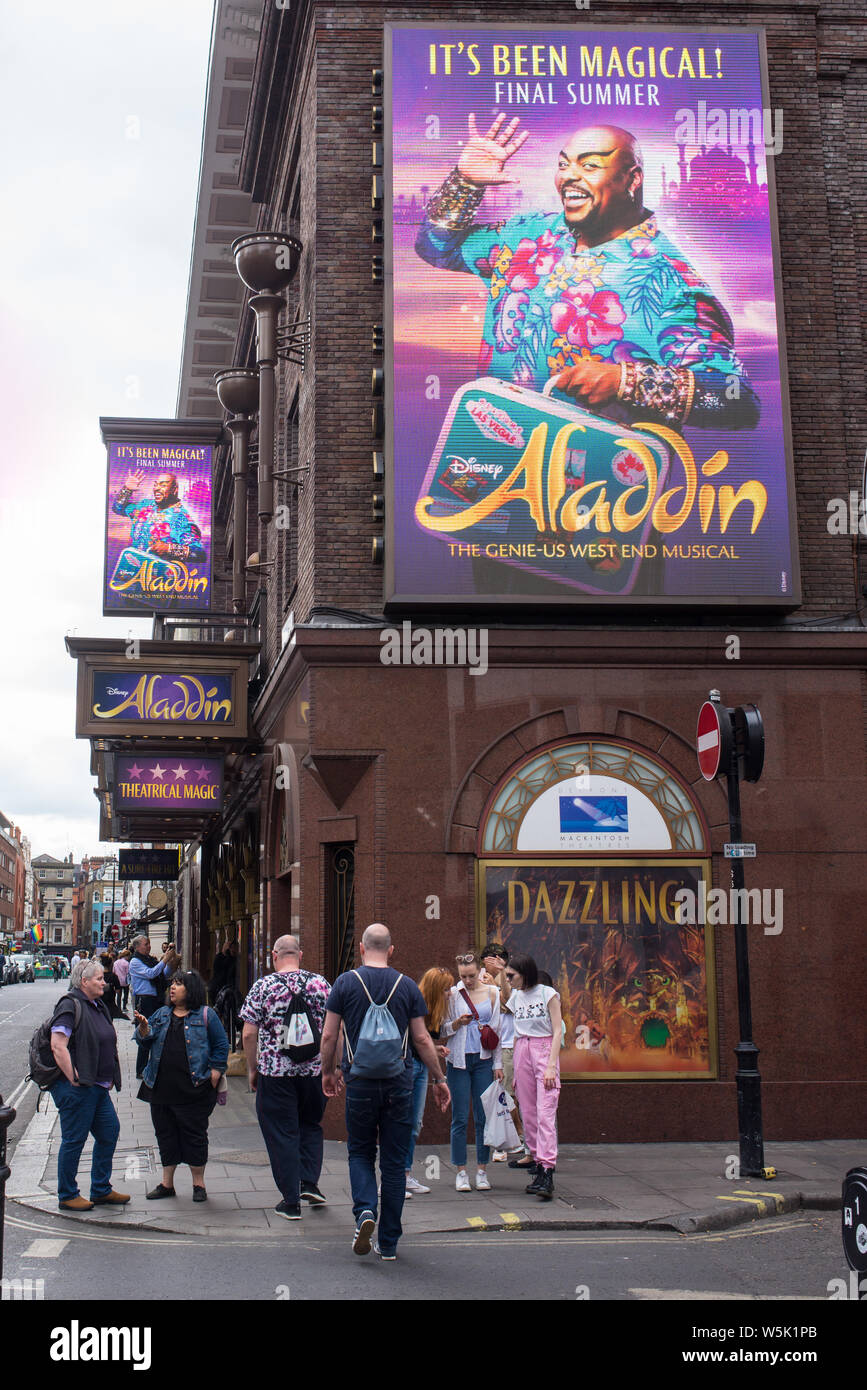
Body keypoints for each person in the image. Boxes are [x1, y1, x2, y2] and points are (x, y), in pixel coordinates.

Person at [415, 117, 759, 431]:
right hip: (485, 463)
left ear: (632, 178)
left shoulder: (671, 281)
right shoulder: (529, 235)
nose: (569, 176)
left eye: (589, 165)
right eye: (564, 164)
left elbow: (737, 402)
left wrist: (628, 382)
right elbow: (435, 247)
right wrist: (465, 183)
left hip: (598, 488)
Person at [320, 924, 450, 1260]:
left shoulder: (345, 983)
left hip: (360, 1082)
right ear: (391, 950)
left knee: (361, 1153)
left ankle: (365, 1211)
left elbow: (329, 1037)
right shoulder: (407, 986)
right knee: (393, 1164)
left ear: (361, 948)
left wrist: (329, 1072)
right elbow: (422, 1040)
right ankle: (389, 1242)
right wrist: (439, 1079)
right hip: (399, 1085)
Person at [239, 935, 332, 1220]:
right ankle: (310, 1183)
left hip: (275, 1073)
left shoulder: (263, 987)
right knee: (310, 1126)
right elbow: (334, 1032)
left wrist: (252, 1069)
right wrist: (332, 1068)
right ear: (300, 955)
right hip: (313, 1072)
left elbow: (248, 1033)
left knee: (282, 1133)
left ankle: (291, 1201)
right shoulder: (321, 985)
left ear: (274, 955)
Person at [135, 969, 228, 1202]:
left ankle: (199, 1184)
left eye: (179, 984)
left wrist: (216, 1072)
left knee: (194, 1135)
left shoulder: (206, 1015)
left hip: (194, 1087)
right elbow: (144, 1041)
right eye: (172, 984)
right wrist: (143, 1029)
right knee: (165, 1134)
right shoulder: (161, 1013)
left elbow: (221, 1044)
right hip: (160, 1087)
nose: (172, 988)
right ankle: (167, 1184)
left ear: (192, 989)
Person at [49, 958, 129, 1212]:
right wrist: (73, 1077)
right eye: (99, 979)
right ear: (84, 982)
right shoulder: (70, 1005)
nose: (103, 983)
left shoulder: (96, 1005)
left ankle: (101, 1189)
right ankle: (67, 1194)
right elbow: (57, 1044)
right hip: (80, 1087)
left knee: (109, 1132)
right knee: (74, 1139)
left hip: (98, 1087)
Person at [442, 950, 503, 1193]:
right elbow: (443, 1029)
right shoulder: (454, 995)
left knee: (482, 1117)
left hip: (483, 1060)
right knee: (459, 1117)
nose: (467, 981)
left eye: (471, 975)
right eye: (463, 976)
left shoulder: (492, 993)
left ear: (480, 971)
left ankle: (482, 1170)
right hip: (458, 1061)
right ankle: (461, 1171)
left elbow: (497, 1030)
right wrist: (457, 1023)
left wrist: (497, 1064)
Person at [505, 952, 563, 1201]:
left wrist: (551, 1065)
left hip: (543, 1049)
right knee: (528, 1113)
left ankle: (548, 1169)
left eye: (511, 975)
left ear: (524, 973)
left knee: (546, 1113)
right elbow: (516, 1031)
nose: (508, 980)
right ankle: (538, 1166)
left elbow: (558, 1029)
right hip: (522, 1050)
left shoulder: (547, 994)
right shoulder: (516, 996)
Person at [404, 966, 454, 1198]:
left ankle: (403, 1175)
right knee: (404, 1124)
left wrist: (433, 1049)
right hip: (408, 1067)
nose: (450, 993)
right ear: (435, 990)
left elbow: (420, 1042)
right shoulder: (417, 1006)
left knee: (414, 1124)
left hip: (420, 1066)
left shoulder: (433, 1010)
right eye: (446, 989)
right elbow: (413, 1041)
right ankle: (393, 1178)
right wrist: (439, 1076)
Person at [480, 943, 525, 1163]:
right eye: (487, 959)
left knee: (506, 1094)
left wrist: (499, 978)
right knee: (491, 1096)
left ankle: (514, 1137)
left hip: (508, 1044)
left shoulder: (511, 978)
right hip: (483, 1045)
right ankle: (509, 1138)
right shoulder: (477, 978)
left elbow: (508, 1005)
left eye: (494, 959)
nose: (489, 963)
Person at [112, 470, 206, 562]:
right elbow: (118, 508)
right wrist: (127, 489)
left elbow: (199, 554)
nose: (156, 488)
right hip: (129, 569)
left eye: (163, 485)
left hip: (159, 576)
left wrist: (169, 548)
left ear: (174, 489)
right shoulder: (144, 506)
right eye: (155, 484)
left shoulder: (181, 518)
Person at [129, 936, 178, 1077]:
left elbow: (163, 974)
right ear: (138, 947)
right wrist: (164, 960)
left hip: (156, 999)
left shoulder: (150, 960)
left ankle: (156, 1066)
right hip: (145, 1001)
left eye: (149, 944)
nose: (149, 946)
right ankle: (141, 1069)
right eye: (146, 944)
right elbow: (151, 974)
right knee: (145, 1034)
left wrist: (170, 961)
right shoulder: (135, 962)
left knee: (158, 1033)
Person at [113, 950, 131, 1015]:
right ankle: (124, 1006)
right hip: (125, 981)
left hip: (117, 981)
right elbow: (128, 973)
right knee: (126, 994)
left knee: (119, 995)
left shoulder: (116, 962)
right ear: (127, 956)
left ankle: (118, 1008)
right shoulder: (126, 963)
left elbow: (114, 971)